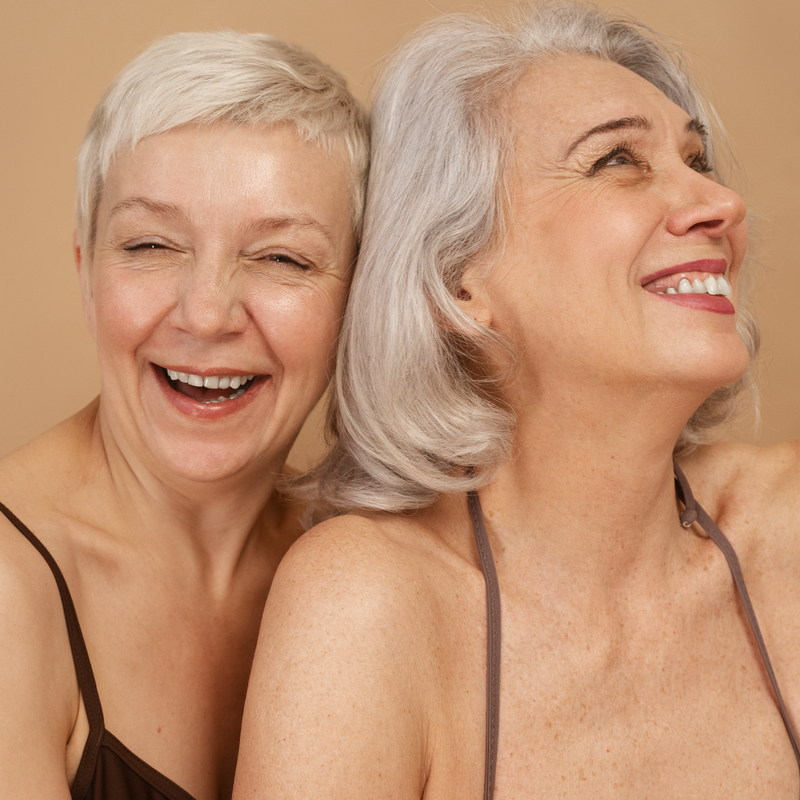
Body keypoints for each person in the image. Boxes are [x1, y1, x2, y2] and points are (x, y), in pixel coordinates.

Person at [234, 3, 800, 798]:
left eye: (696, 158)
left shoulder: (786, 527)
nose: (721, 203)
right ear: (458, 277)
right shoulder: (368, 605)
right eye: (617, 160)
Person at [0, 30, 367, 799]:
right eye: (151, 245)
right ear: (86, 274)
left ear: (358, 303)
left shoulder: (369, 568)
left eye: (282, 258)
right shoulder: (9, 587)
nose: (205, 314)